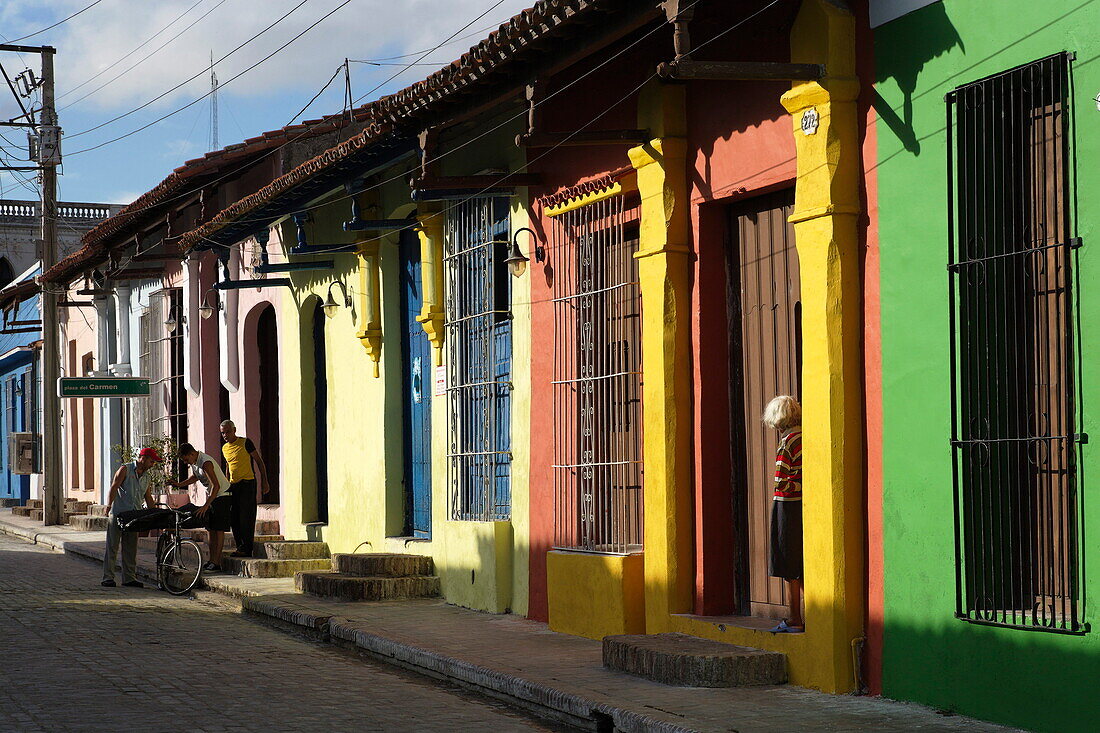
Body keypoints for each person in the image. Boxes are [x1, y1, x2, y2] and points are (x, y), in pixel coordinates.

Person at [764, 395, 804, 634]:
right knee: (799, 562)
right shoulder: (805, 437)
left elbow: (782, 482)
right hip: (801, 505)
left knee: (788, 564)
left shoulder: (788, 441)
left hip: (787, 506)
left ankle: (794, 618)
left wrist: (797, 487)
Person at [101, 447, 161, 588]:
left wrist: (154, 513)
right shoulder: (125, 469)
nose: (153, 464)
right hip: (119, 514)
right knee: (112, 546)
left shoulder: (147, 477)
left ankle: (129, 578)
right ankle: (108, 577)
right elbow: (114, 487)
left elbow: (147, 497)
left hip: (134, 516)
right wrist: (109, 505)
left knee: (131, 548)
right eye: (151, 461)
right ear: (143, 458)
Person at [169, 443, 232, 572]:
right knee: (210, 529)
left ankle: (217, 562)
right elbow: (196, 477)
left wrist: (206, 505)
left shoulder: (205, 462)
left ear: (192, 454)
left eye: (186, 459)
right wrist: (179, 484)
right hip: (213, 496)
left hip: (222, 496)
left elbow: (216, 486)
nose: (186, 463)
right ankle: (211, 560)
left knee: (218, 530)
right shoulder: (195, 463)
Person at [219, 420, 270, 558]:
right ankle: (240, 546)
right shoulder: (224, 448)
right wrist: (226, 485)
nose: (225, 435)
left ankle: (247, 548)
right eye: (223, 432)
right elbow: (228, 467)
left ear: (234, 430)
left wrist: (265, 482)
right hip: (233, 486)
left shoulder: (245, 442)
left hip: (247, 483)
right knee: (234, 518)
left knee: (246, 517)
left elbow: (259, 461)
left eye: (228, 432)